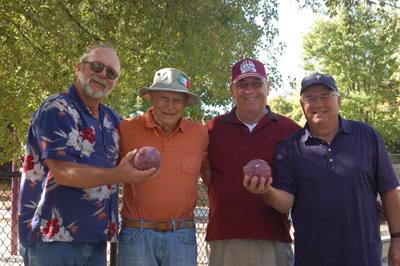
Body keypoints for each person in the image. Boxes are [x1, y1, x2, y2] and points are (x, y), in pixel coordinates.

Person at [18, 43, 157, 266]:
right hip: (52, 240)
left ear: (115, 82)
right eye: (96, 66)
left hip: (97, 242)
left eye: (110, 73)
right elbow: (64, 172)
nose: (102, 75)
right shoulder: (57, 108)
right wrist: (119, 175)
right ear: (79, 67)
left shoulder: (112, 119)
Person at [243, 73, 400, 265]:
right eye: (311, 98)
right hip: (313, 257)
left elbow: (389, 190)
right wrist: (266, 191)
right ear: (302, 105)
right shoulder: (291, 147)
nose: (318, 104)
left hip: (364, 255)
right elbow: (285, 203)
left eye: (325, 96)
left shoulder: (367, 136)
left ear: (338, 100)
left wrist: (397, 239)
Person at [204, 58, 301, 266]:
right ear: (232, 89)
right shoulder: (213, 129)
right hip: (225, 237)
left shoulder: (290, 130)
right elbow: (206, 174)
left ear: (268, 86)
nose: (249, 90)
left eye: (256, 83)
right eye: (242, 84)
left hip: (273, 238)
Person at [117, 68, 208, 266]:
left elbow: (211, 176)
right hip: (136, 234)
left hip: (181, 235)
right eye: (163, 98)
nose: (170, 106)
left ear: (185, 104)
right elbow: (110, 174)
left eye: (177, 100)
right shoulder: (126, 129)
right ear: (151, 97)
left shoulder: (200, 134)